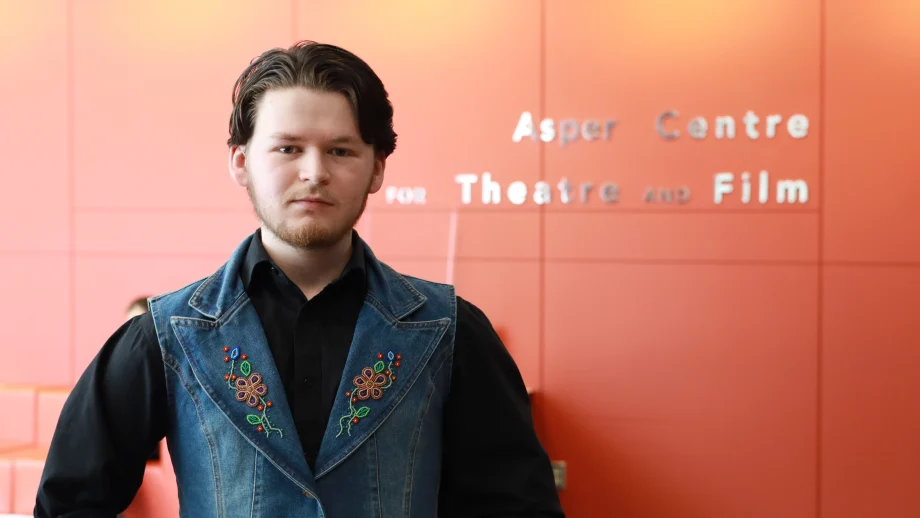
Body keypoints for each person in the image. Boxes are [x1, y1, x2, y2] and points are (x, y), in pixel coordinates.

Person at [35, 41, 564, 517]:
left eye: (340, 150)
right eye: (288, 148)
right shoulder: (167, 334)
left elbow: (519, 505)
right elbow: (70, 504)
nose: (314, 171)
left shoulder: (446, 331)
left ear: (377, 168)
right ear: (241, 163)